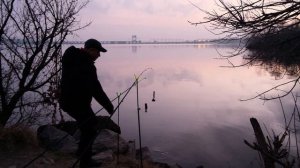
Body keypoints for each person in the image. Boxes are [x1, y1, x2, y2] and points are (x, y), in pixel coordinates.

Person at [59, 39, 114, 167]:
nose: (99, 55)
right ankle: (85, 162)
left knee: (87, 126)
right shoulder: (87, 65)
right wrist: (109, 106)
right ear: (91, 50)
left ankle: (81, 154)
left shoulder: (72, 58)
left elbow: (92, 87)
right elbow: (96, 89)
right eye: (98, 52)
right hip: (77, 103)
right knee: (90, 128)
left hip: (67, 101)